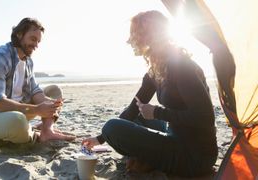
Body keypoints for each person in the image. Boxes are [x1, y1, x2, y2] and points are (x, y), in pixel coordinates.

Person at [82, 11, 217, 177]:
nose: (131, 41)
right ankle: (147, 156)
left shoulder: (181, 66)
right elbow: (134, 107)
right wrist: (100, 138)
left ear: (149, 36)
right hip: (174, 133)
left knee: (112, 126)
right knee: (133, 117)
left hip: (194, 155)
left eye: (135, 35)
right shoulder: (158, 67)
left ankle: (148, 158)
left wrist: (157, 112)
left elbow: (205, 117)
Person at [0, 17, 75, 149]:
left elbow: (35, 91)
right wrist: (37, 109)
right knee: (17, 121)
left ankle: (47, 131)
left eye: (38, 41)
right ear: (19, 34)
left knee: (54, 91)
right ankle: (33, 134)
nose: (36, 45)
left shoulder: (28, 61)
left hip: (15, 110)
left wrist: (51, 104)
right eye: (33, 39)